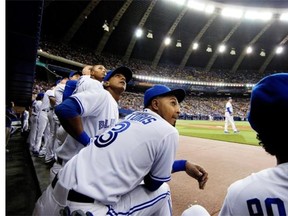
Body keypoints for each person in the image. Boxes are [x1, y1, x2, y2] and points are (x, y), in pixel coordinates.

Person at [33, 84, 208, 216]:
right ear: (155, 104)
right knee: (163, 191)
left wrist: (183, 165)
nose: (178, 110)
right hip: (85, 209)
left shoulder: (128, 118)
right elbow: (153, 183)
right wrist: (176, 166)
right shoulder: (168, 131)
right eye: (173, 103)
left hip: (51, 196)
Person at [181, 73, 288, 216]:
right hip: (228, 115)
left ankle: (230, 129)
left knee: (194, 212)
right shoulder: (228, 104)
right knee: (229, 123)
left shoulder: (241, 193)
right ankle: (230, 129)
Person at [50, 66, 132, 180]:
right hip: (69, 170)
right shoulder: (102, 95)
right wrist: (87, 142)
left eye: (125, 78)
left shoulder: (112, 104)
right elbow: (64, 109)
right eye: (117, 76)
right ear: (106, 82)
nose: (122, 78)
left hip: (80, 170)